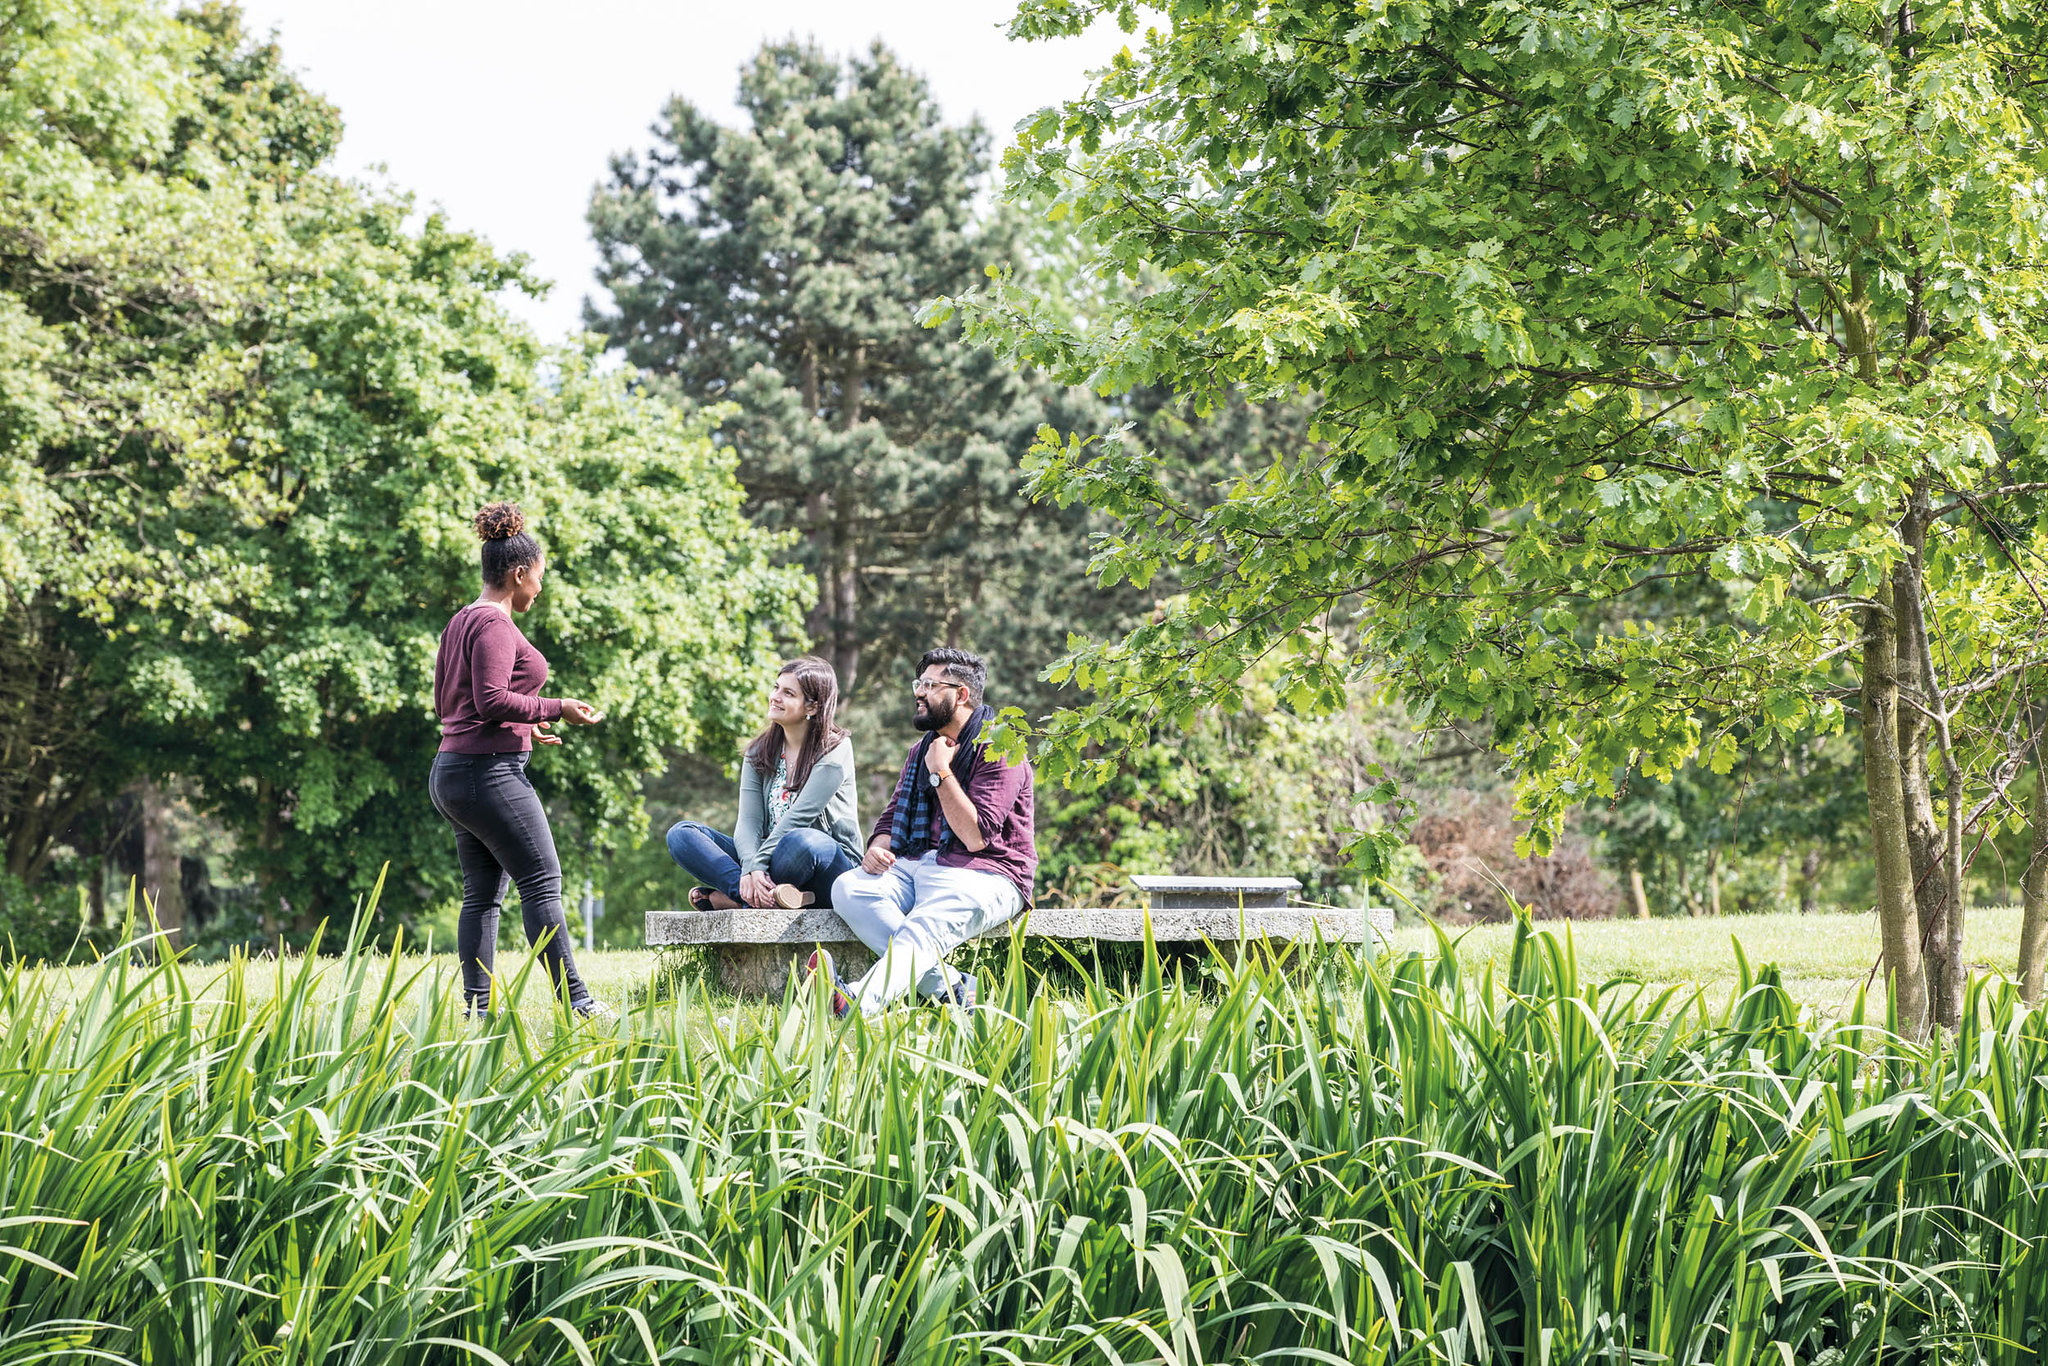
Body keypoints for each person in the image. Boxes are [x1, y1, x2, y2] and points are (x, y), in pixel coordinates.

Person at [429, 502, 610, 1018]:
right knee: (542, 881)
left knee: (482, 896)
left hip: (455, 771)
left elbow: (453, 704)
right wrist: (557, 708)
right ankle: (578, 1003)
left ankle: (476, 1014)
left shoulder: (461, 621)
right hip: (486, 773)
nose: (540, 588)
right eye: (539, 578)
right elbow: (487, 699)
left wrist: (524, 723)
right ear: (518, 573)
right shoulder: (494, 625)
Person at [814, 647, 1036, 1015]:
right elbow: (889, 820)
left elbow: (976, 835)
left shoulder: (1000, 747)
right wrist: (879, 847)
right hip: (917, 863)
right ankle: (955, 987)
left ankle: (855, 1003)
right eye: (919, 683)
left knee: (923, 925)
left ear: (961, 695)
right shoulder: (920, 751)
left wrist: (941, 772)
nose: (919, 691)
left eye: (931, 684)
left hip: (987, 873)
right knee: (849, 887)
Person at [666, 656, 862, 912]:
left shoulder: (835, 749)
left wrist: (757, 866)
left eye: (788, 693)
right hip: (768, 864)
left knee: (802, 841)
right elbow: (748, 822)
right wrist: (750, 868)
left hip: (824, 864)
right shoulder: (759, 751)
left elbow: (799, 818)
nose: (775, 697)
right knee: (682, 835)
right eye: (776, 687)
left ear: (812, 707)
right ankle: (750, 896)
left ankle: (744, 898)